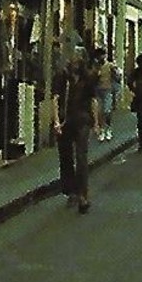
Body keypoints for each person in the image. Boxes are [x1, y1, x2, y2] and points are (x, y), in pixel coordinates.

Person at [53, 50, 101, 213]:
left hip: (82, 120)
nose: (75, 62)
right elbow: (56, 98)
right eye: (74, 59)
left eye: (78, 60)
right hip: (66, 121)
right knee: (66, 156)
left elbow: (93, 100)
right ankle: (71, 191)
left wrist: (95, 122)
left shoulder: (88, 79)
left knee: (81, 157)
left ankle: (82, 195)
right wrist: (57, 121)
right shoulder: (62, 77)